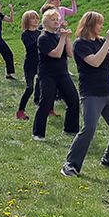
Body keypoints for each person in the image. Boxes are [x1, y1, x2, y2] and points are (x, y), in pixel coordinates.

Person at [62, 12, 109, 175]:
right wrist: (108, 41)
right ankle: (70, 164)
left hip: (108, 92)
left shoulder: (101, 42)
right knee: (89, 128)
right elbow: (95, 62)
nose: (102, 26)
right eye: (99, 23)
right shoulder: (80, 44)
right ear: (90, 24)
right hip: (91, 94)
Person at [32, 8, 79, 140]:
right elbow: (56, 54)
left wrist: (67, 38)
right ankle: (38, 133)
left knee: (73, 100)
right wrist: (63, 38)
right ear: (45, 22)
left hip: (62, 73)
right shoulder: (43, 38)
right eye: (52, 20)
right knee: (46, 103)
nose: (56, 22)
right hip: (48, 75)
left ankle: (71, 129)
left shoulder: (59, 36)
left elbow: (69, 54)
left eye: (57, 19)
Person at [16, 10, 41, 120]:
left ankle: (47, 108)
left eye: (36, 18)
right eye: (32, 18)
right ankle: (21, 111)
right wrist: (41, 39)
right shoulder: (25, 34)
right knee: (29, 88)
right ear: (27, 21)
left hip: (41, 63)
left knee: (46, 86)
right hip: (30, 64)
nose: (35, 20)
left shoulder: (40, 33)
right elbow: (31, 47)